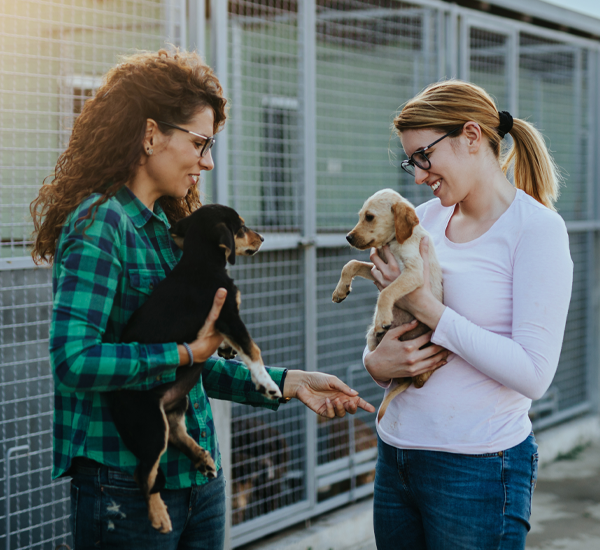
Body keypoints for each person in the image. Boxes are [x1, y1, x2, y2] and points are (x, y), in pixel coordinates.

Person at [30, 49, 373, 550]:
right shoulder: (101, 223)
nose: (207, 161)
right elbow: (75, 360)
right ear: (150, 135)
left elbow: (184, 360)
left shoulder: (166, 230)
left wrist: (287, 382)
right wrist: (187, 353)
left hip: (198, 480)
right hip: (126, 486)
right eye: (199, 143)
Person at [363, 80, 574, 549]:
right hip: (396, 455)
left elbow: (535, 375)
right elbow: (390, 326)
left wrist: (431, 310)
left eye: (424, 156)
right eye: (411, 160)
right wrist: (373, 363)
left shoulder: (536, 230)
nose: (418, 175)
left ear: (472, 136)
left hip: (476, 467)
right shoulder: (422, 222)